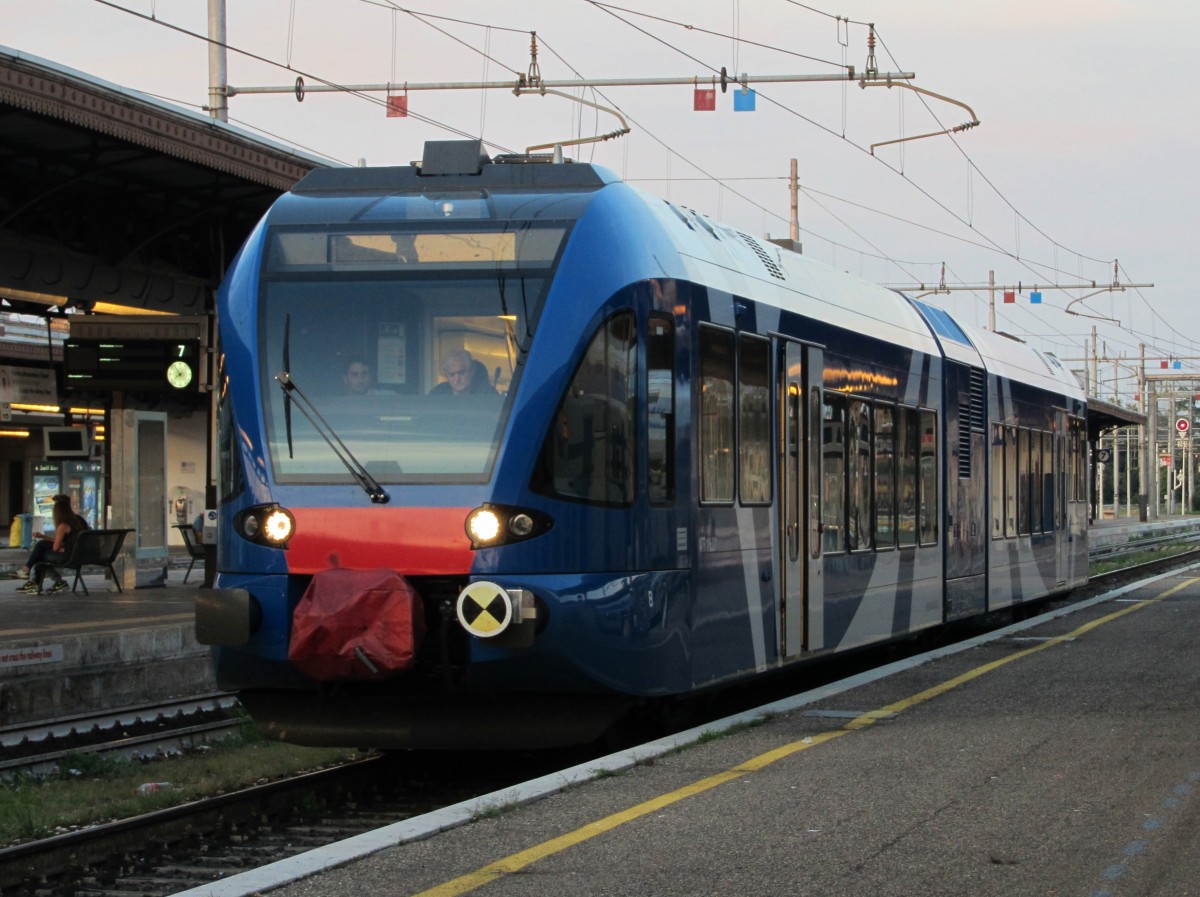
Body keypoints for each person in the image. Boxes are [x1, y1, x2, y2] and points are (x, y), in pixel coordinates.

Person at [18, 494, 90, 595]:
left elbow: (56, 547)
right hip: (81, 554)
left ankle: (33, 579)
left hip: (70, 556)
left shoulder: (63, 525)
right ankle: (41, 580)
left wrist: (59, 546)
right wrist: (44, 537)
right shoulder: (78, 520)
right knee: (42, 545)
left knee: (41, 554)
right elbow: (64, 542)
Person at [429, 349, 497, 396]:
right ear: (446, 375)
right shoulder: (437, 394)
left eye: (461, 373)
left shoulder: (487, 394)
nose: (457, 379)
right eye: (452, 374)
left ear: (472, 371)